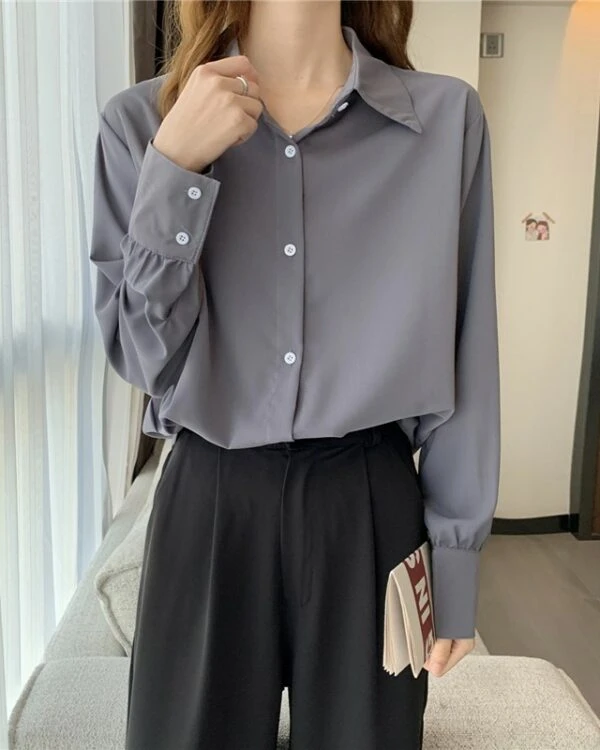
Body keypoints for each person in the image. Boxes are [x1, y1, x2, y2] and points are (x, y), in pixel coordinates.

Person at [89, 0, 501, 748]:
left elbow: (468, 353)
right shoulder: (142, 123)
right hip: (209, 502)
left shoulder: (445, 123)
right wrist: (175, 169)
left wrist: (457, 560)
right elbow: (143, 358)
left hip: (370, 508)